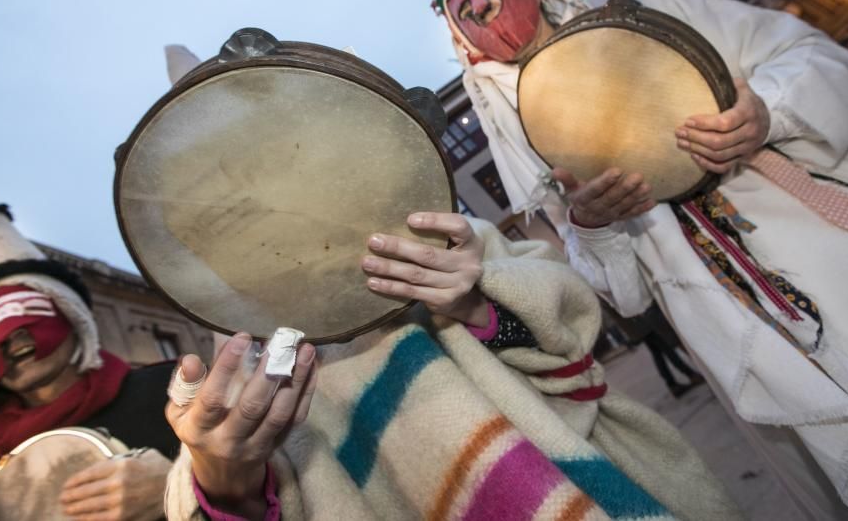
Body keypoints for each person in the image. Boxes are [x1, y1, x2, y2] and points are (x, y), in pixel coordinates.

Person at [433, 0, 848, 520]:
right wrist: (592, 226)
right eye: (463, 10)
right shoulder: (520, 130)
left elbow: (809, 51)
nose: (483, 8)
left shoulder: (642, 8)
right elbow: (624, 292)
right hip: (728, 315)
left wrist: (770, 113)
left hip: (837, 239)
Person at [161, 211, 740, 520]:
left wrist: (475, 299)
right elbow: (207, 493)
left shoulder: (441, 240)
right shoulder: (242, 364)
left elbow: (574, 350)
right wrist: (224, 482)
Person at [0, 200, 178, 521]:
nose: (11, 335)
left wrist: (184, 489)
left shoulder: (176, 396)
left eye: (28, 309)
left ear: (72, 317)